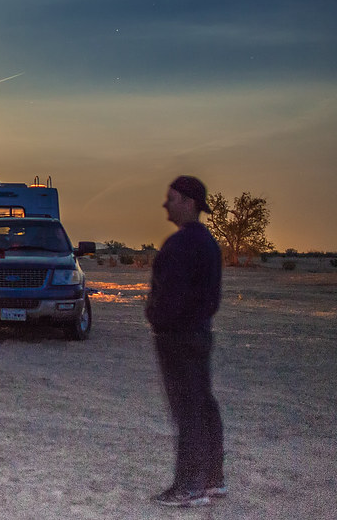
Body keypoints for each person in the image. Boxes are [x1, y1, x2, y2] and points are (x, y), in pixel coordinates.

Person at [146, 176, 225, 508]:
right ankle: (212, 479)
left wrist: (156, 316)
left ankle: (189, 486)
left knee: (188, 411)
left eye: (172, 197)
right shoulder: (207, 243)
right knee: (203, 405)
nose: (166, 203)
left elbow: (170, 297)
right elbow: (211, 298)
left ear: (189, 203)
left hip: (178, 337)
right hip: (199, 333)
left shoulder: (180, 245)